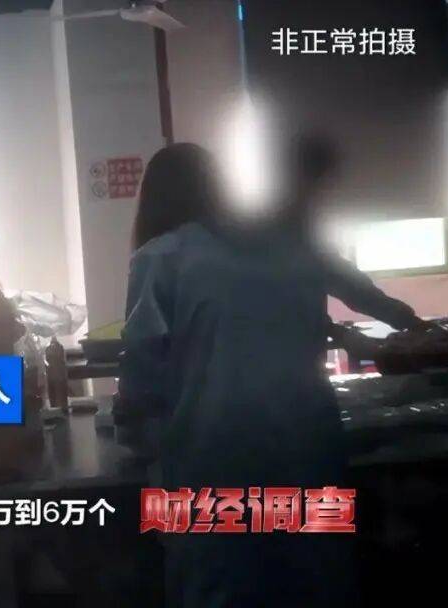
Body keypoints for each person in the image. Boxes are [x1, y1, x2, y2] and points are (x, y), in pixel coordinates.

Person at [115, 141, 421, 607]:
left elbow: (140, 377)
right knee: (318, 584)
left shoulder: (160, 258)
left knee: (213, 590)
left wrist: (136, 439)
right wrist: (415, 325)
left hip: (207, 463)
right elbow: (364, 294)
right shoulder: (291, 244)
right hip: (309, 450)